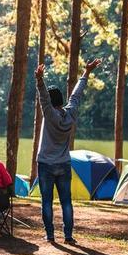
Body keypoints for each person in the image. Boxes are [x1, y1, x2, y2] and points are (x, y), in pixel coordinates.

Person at [34, 58, 102, 244]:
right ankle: (68, 236)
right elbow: (76, 95)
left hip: (46, 164)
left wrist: (40, 80)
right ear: (62, 101)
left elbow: (44, 98)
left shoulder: (49, 114)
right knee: (66, 202)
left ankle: (50, 236)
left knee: (47, 202)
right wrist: (86, 73)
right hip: (64, 163)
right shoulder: (70, 113)